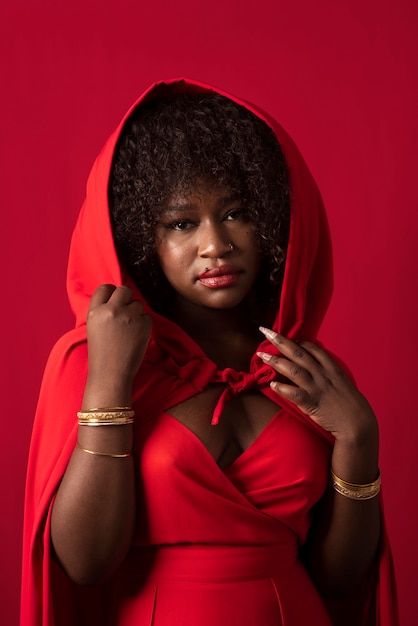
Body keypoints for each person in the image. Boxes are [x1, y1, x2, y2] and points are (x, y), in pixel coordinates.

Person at [21, 78, 398, 626]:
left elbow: (340, 580)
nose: (214, 245)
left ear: (271, 219)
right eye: (181, 223)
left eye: (237, 213)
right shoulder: (95, 360)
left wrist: (359, 440)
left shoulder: (309, 370)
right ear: (141, 240)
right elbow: (85, 565)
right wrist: (108, 381)